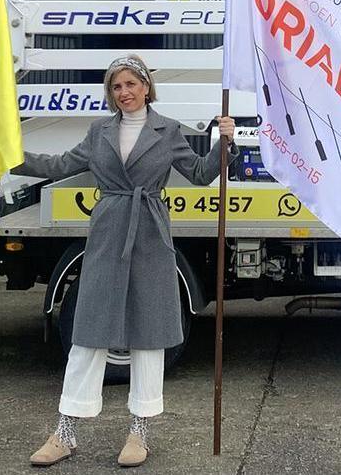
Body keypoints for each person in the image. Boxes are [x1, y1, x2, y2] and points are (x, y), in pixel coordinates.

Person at [21, 54, 238, 468]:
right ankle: (64, 432)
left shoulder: (168, 130)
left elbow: (200, 173)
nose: (124, 93)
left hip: (151, 233)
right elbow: (59, 165)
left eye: (131, 84)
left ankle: (139, 433)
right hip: (107, 230)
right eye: (116, 87)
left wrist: (224, 143)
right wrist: (8, 154)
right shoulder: (99, 131)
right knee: (88, 332)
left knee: (148, 333)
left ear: (146, 87)